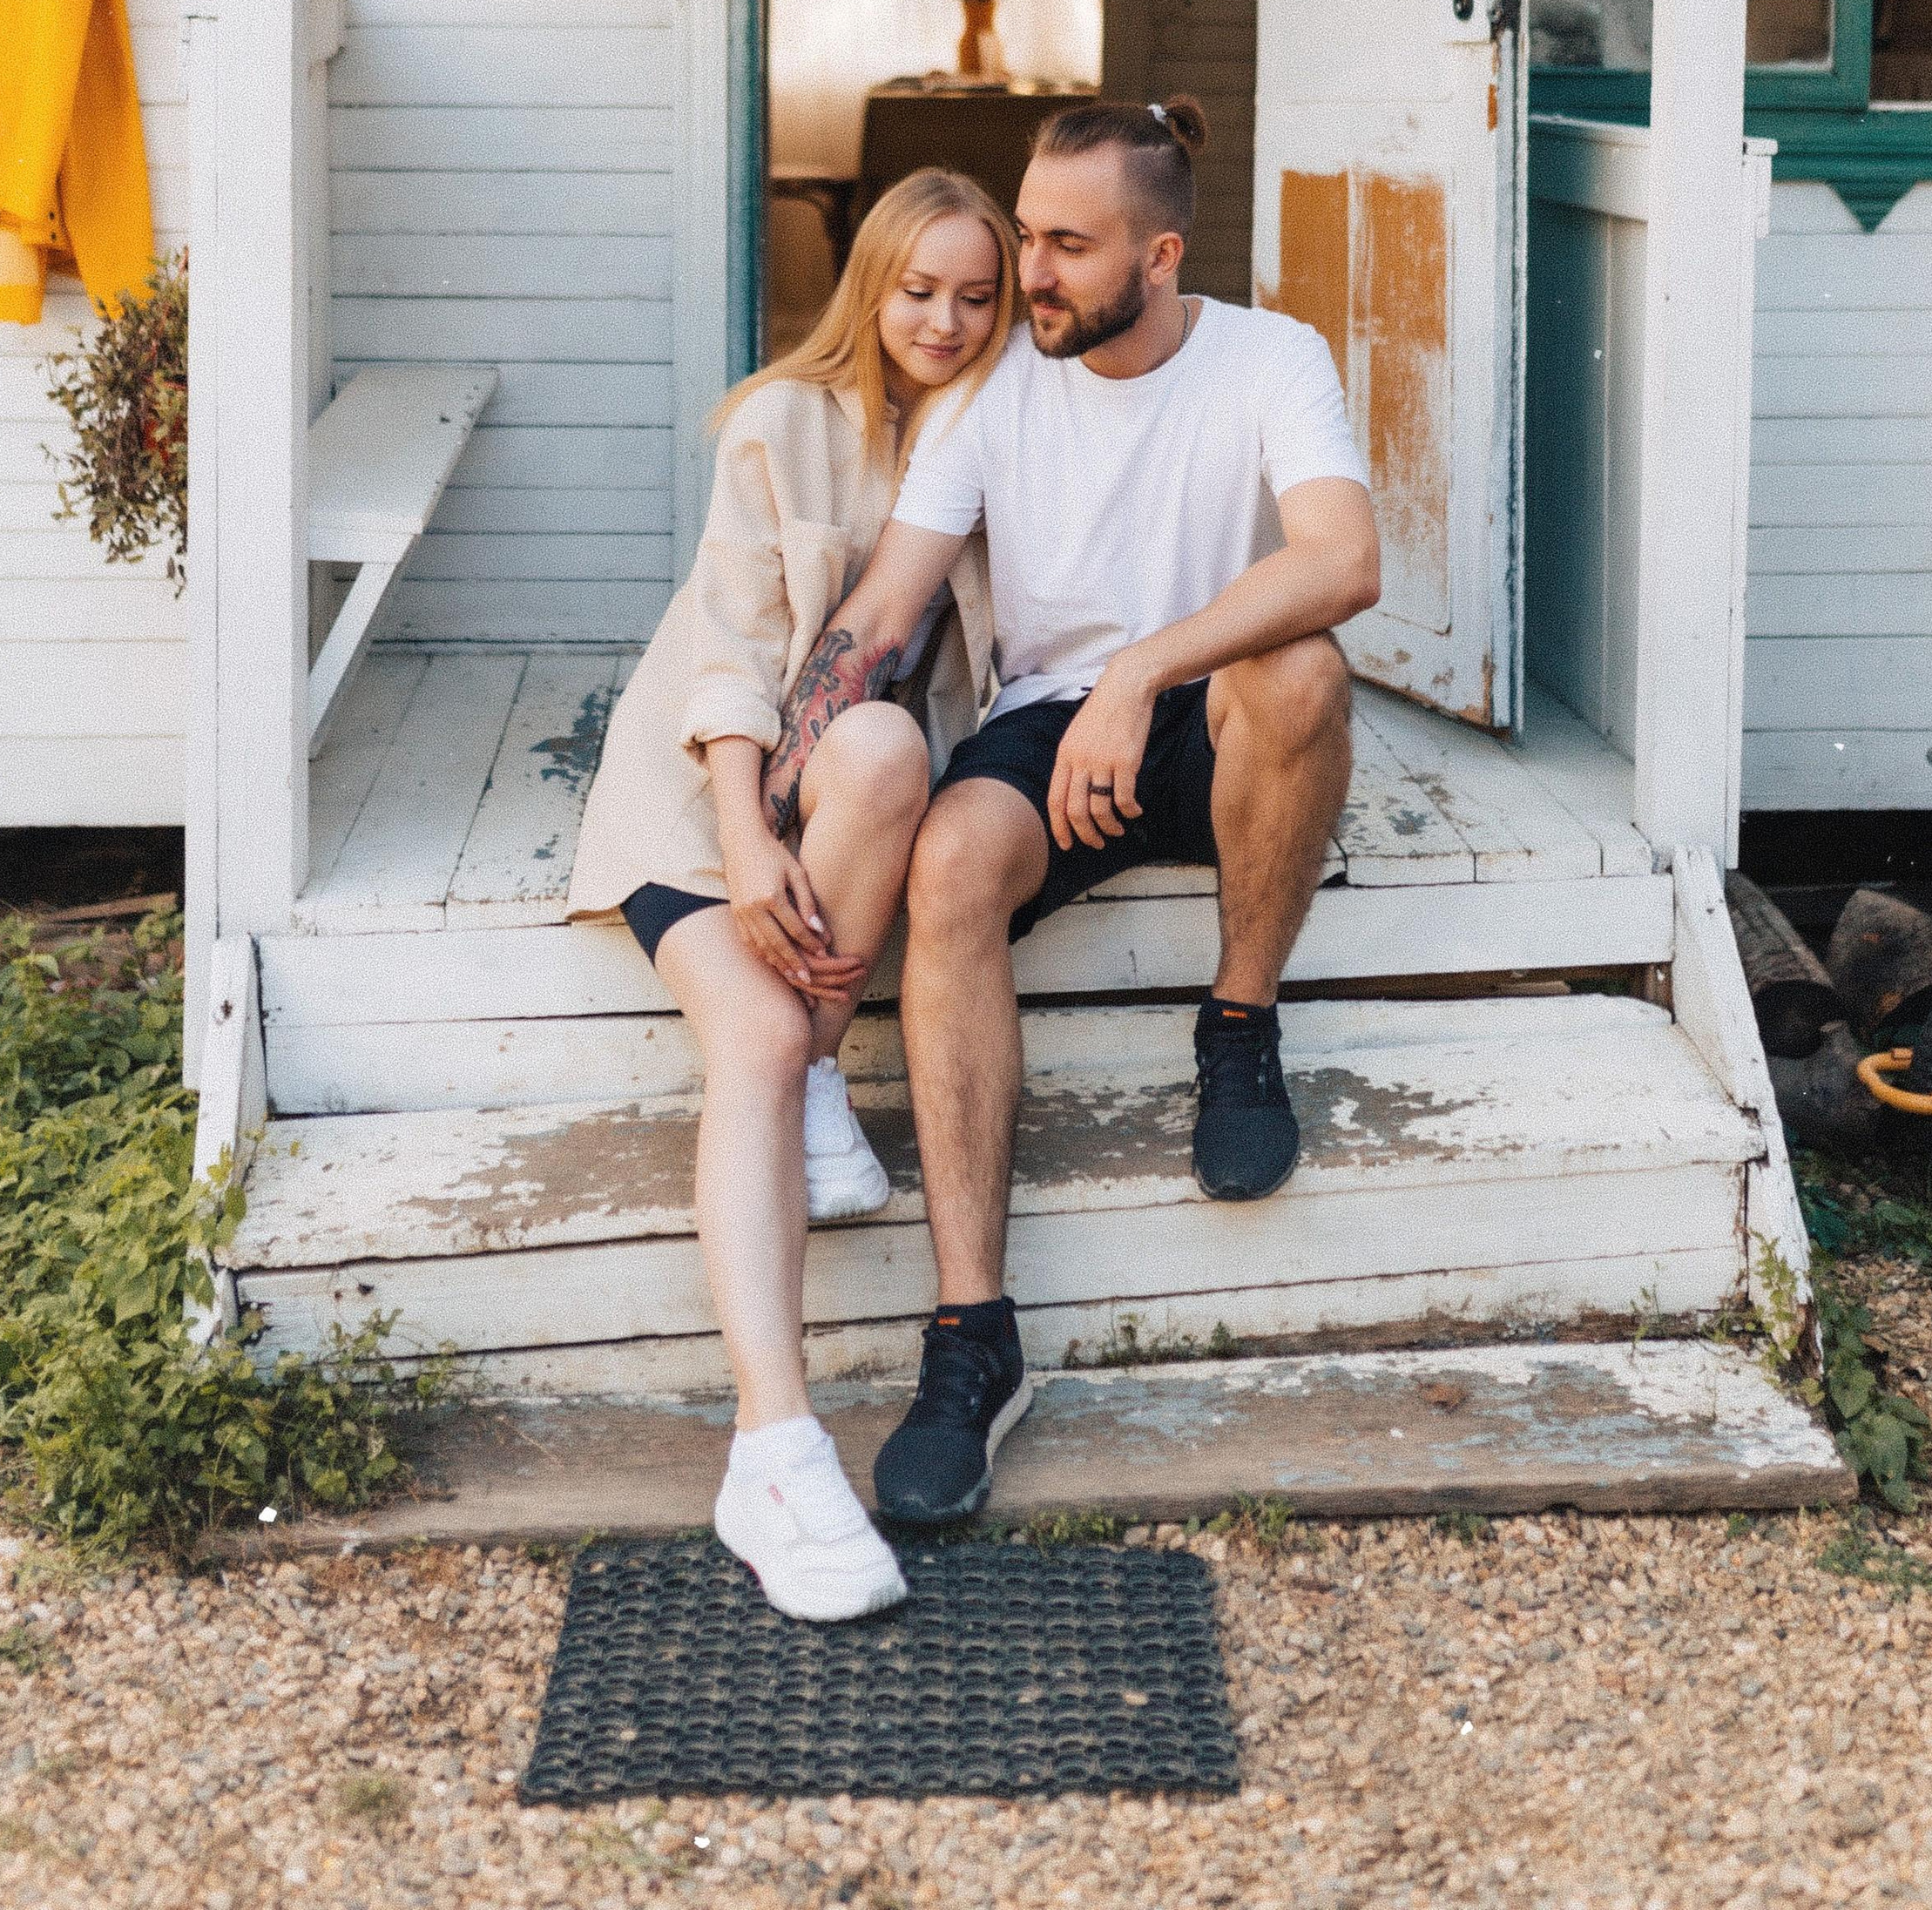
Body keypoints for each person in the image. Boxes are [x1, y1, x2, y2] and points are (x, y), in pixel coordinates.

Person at [757, 96, 1381, 1532]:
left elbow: (1344, 559)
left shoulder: (1269, 358)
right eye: (1026, 235)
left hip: (1206, 705)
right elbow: (885, 612)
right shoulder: (991, 397)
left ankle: (1239, 1022)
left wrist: (1152, 664)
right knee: (956, 860)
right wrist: (769, 791)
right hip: (1048, 733)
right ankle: (974, 1339)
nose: (1028, 276)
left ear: (1159, 257)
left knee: (1299, 668)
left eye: (1066, 248)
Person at [566, 167, 1016, 1618]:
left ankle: (821, 1066)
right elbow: (734, 642)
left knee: (885, 742)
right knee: (748, 1042)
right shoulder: (781, 422)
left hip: (849, 805)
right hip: (699, 790)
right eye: (916, 289)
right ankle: (774, 1445)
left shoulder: (999, 433)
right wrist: (744, 842)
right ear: (869, 285)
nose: (943, 321)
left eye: (976, 295)